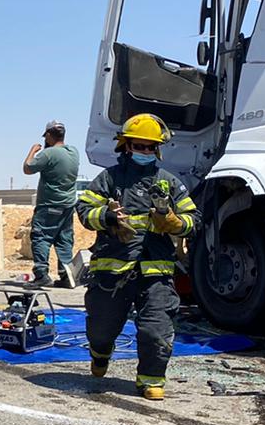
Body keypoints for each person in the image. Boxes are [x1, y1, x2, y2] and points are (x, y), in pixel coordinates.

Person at [76, 113, 198, 400]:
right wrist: (106, 216)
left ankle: (151, 380)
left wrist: (176, 223)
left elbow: (194, 218)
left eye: (149, 147)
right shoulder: (109, 179)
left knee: (157, 329)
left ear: (156, 149)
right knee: (101, 330)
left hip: (156, 273)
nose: (144, 152)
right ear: (126, 146)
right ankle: (100, 354)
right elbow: (83, 211)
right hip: (112, 271)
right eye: (138, 146)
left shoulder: (169, 183)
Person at [23, 120, 81, 287]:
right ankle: (66, 275)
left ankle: (41, 274)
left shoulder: (48, 154)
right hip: (68, 205)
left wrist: (33, 151)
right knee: (64, 240)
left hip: (49, 205)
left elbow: (27, 168)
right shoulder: (73, 152)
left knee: (41, 237)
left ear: (48, 135)